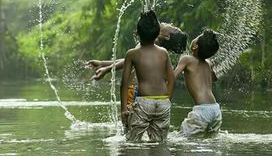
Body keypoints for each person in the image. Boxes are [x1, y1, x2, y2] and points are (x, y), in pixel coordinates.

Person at [85, 22, 186, 107]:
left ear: (166, 36)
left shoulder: (152, 47)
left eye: (174, 28)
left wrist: (107, 69)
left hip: (137, 93)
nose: (171, 24)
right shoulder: (155, 49)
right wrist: (102, 64)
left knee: (132, 125)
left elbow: (129, 60)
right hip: (141, 94)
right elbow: (129, 60)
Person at [120, 10, 175, 142]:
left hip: (144, 102)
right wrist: (167, 100)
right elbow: (171, 79)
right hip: (163, 102)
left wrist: (123, 110)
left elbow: (124, 83)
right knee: (159, 143)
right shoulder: (164, 52)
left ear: (137, 34)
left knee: (133, 141)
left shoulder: (132, 54)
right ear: (157, 34)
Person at [174, 29, 221, 137]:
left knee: (182, 137)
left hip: (202, 111)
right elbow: (214, 79)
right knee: (210, 140)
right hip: (215, 109)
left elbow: (173, 77)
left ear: (195, 46)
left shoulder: (187, 59)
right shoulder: (208, 63)